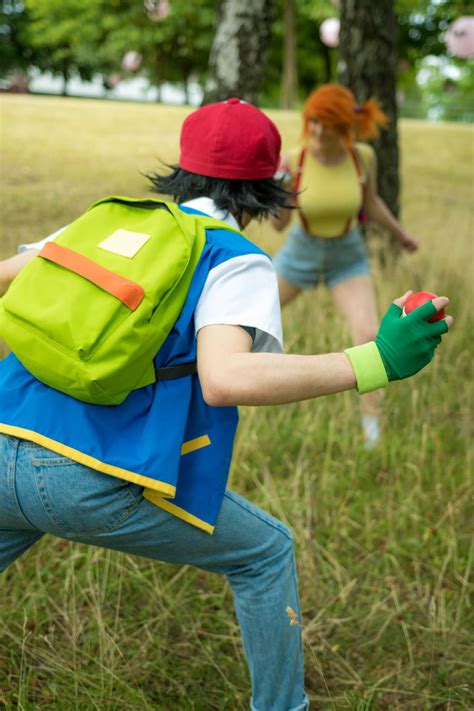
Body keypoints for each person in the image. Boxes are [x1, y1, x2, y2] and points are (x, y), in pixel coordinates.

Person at [0, 98, 451, 711]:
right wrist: (376, 361)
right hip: (90, 477)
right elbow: (226, 379)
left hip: (4, 445)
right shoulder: (231, 257)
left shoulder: (101, 222)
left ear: (183, 167)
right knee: (267, 552)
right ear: (269, 187)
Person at [272, 84, 420, 448]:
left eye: (329, 125)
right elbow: (278, 225)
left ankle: (371, 425)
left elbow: (372, 202)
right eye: (314, 122)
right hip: (300, 253)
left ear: (346, 127)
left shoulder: (362, 158)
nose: (319, 132)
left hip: (347, 256)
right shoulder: (296, 159)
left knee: (368, 335)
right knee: (248, 316)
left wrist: (401, 235)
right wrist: (279, 189)